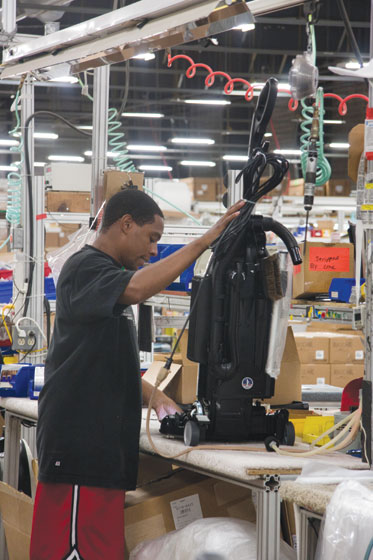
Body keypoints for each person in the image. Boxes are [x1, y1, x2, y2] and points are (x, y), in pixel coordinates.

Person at [30, 188, 245, 560]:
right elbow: (138, 288)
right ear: (125, 224)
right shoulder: (86, 269)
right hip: (79, 452)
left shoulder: (108, 280)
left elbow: (104, 362)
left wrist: (159, 399)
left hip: (102, 452)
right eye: (151, 238)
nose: (152, 251)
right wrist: (204, 241)